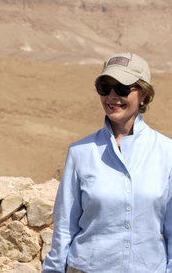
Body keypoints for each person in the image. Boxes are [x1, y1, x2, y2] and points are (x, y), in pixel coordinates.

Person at [42, 53, 172, 272]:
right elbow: (65, 226)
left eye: (122, 88)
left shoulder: (166, 152)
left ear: (144, 94)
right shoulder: (80, 152)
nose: (113, 96)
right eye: (105, 87)